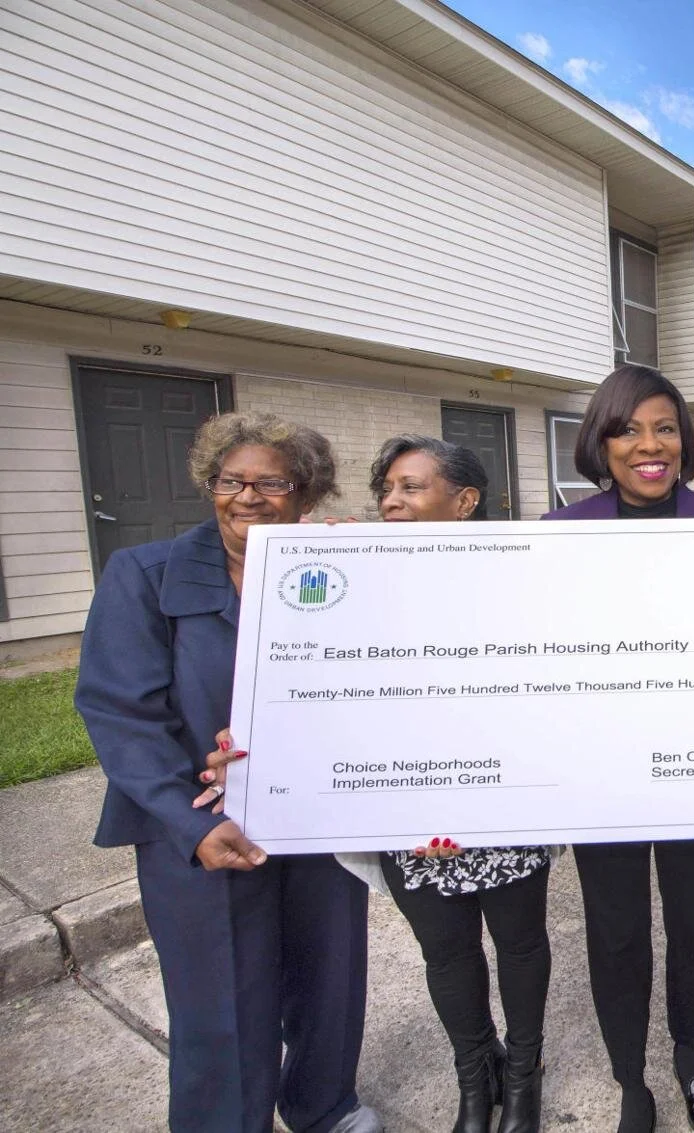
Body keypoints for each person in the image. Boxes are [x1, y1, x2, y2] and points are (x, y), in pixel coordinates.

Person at [74, 412, 381, 1133]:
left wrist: (372, 564)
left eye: (270, 480)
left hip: (315, 814)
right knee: (220, 997)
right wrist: (192, 820)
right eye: (230, 479)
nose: (247, 495)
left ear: (304, 492)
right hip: (204, 825)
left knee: (328, 973)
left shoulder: (334, 572)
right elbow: (121, 712)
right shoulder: (142, 576)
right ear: (210, 486)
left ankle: (322, 1104)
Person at [540, 364, 694, 1133]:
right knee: (616, 928)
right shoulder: (559, 535)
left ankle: (689, 1050)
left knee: (693, 917)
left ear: (684, 439)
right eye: (626, 428)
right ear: (601, 440)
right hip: (604, 773)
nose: (647, 445)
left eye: (663, 426)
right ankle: (632, 1077)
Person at [355, 436, 553, 1133]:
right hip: (407, 809)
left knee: (520, 941)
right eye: (387, 488)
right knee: (446, 949)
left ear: (464, 501)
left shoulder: (517, 579)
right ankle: (478, 1077)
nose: (391, 501)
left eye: (411, 486)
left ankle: (524, 1076)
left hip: (501, 802)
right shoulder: (358, 580)